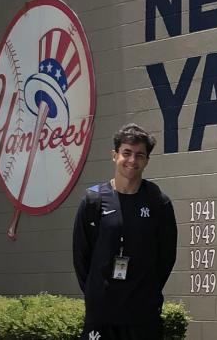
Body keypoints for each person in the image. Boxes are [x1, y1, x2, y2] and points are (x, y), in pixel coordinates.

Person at [73, 123, 177, 340]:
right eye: (126, 153)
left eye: (139, 155)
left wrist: (146, 292)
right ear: (114, 155)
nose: (132, 160)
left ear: (147, 160)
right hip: (101, 315)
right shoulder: (93, 199)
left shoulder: (158, 202)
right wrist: (98, 292)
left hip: (142, 315)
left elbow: (166, 257)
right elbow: (81, 257)